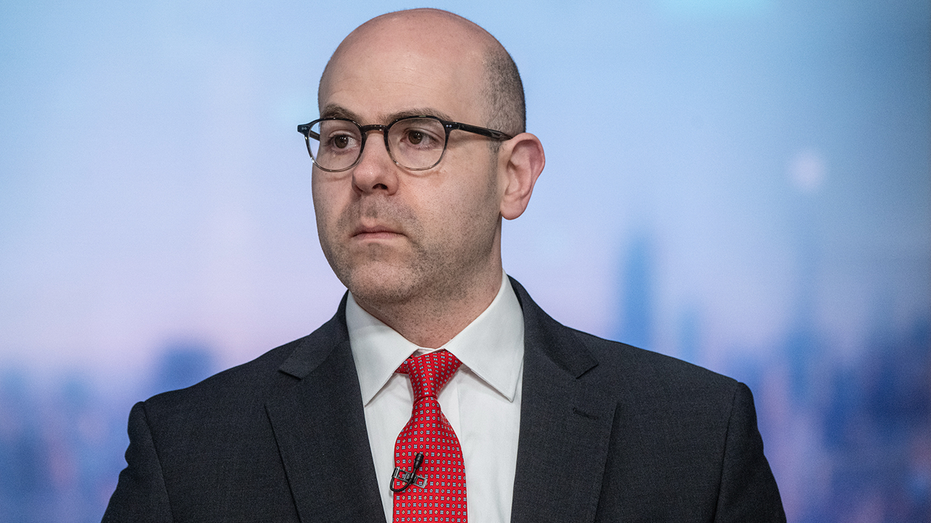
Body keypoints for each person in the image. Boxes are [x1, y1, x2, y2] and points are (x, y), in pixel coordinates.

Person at [104, 8, 785, 522]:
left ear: (513, 176)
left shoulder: (697, 434)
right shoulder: (185, 450)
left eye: (416, 136)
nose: (367, 171)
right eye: (340, 137)